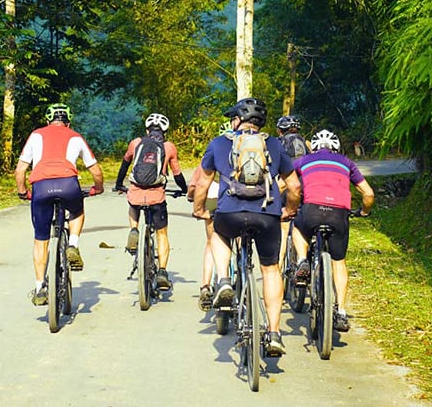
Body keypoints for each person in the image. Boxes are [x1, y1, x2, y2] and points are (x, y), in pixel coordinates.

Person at [192, 98, 302, 356]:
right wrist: (290, 210)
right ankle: (274, 333)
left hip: (230, 213)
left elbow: (202, 185)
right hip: (267, 215)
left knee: (218, 233)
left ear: (237, 120)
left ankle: (224, 280)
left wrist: (200, 210)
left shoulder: (220, 144)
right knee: (271, 270)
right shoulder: (274, 145)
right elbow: (295, 186)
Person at [14, 103, 105, 306]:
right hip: (68, 184)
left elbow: (20, 171)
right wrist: (98, 188)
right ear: (68, 122)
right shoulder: (75, 136)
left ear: (48, 121)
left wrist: (23, 192)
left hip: (41, 188)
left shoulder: (36, 135)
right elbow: (96, 171)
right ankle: (72, 244)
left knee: (40, 240)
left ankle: (39, 289)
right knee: (77, 210)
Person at [290, 129, 374, 332]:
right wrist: (363, 212)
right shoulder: (347, 163)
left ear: (315, 147)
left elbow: (287, 182)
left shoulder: (304, 161)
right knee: (339, 262)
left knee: (298, 228)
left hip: (311, 210)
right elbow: (369, 194)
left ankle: (302, 260)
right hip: (339, 214)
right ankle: (342, 312)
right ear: (336, 147)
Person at [113, 113, 189, 291]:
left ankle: (133, 229)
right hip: (157, 195)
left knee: (132, 202)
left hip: (136, 192)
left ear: (147, 130)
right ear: (165, 132)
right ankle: (162, 271)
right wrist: (184, 190)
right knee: (162, 234)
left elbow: (124, 164)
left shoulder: (135, 143)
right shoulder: (168, 147)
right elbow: (177, 174)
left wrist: (118, 184)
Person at [187, 121, 230, 311]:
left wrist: (192, 200)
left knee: (212, 241)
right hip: (234, 202)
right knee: (235, 239)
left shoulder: (213, 152)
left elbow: (195, 187)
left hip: (212, 199)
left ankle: (205, 285)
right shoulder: (244, 154)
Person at [275, 115, 311, 272]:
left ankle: (279, 267)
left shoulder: (277, 143)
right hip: (305, 186)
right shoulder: (306, 143)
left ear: (280, 131)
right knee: (302, 224)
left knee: (283, 228)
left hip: (286, 187)